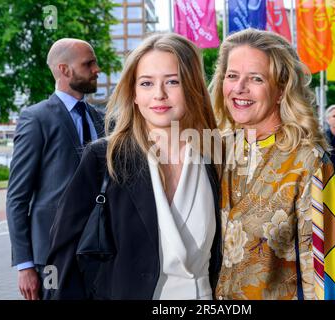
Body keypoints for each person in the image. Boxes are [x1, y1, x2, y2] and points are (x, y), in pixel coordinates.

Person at [46, 33, 222, 300]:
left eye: (173, 81)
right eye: (147, 83)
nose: (159, 94)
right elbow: (63, 253)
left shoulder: (214, 156)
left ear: (193, 87)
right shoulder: (103, 158)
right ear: (134, 94)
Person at [210, 28, 335, 300]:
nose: (239, 88)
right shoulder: (217, 150)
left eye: (256, 78)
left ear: (281, 89)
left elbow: (329, 277)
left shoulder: (309, 163)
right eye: (232, 76)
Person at [6, 38, 105, 300]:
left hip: (101, 253)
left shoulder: (102, 119)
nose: (97, 69)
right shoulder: (36, 118)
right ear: (64, 69)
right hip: (53, 257)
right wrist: (25, 265)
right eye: (89, 63)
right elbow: (17, 197)